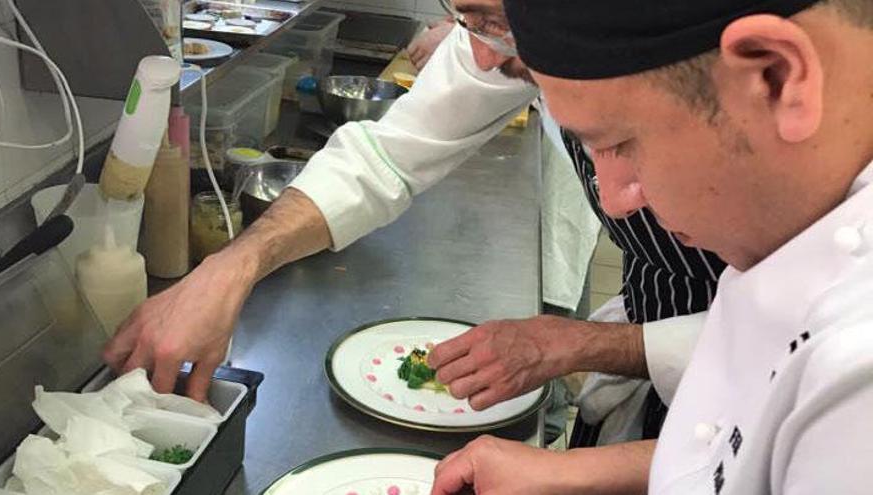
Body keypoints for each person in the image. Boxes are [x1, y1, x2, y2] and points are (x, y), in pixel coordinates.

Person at [106, 0, 724, 450]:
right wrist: (230, 268)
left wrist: (588, 344)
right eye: (465, 17)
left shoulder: (717, 64)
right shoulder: (506, 37)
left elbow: (807, 325)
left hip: (750, 383)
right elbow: (388, 156)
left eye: (498, 21)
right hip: (653, 361)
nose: (481, 54)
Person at [431, 0, 873, 493]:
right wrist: (568, 473)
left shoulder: (857, 376)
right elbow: (745, 445)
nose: (615, 202)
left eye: (619, 144)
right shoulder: (785, 234)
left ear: (775, 74)